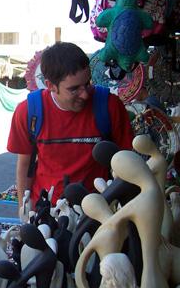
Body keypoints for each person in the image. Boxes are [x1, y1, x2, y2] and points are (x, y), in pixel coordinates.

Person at [7, 42, 133, 209]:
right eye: (74, 89)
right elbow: (25, 165)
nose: (85, 95)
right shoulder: (29, 112)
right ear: (51, 85)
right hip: (47, 212)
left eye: (87, 83)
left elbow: (127, 161)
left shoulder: (109, 106)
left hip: (99, 210)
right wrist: (24, 207)